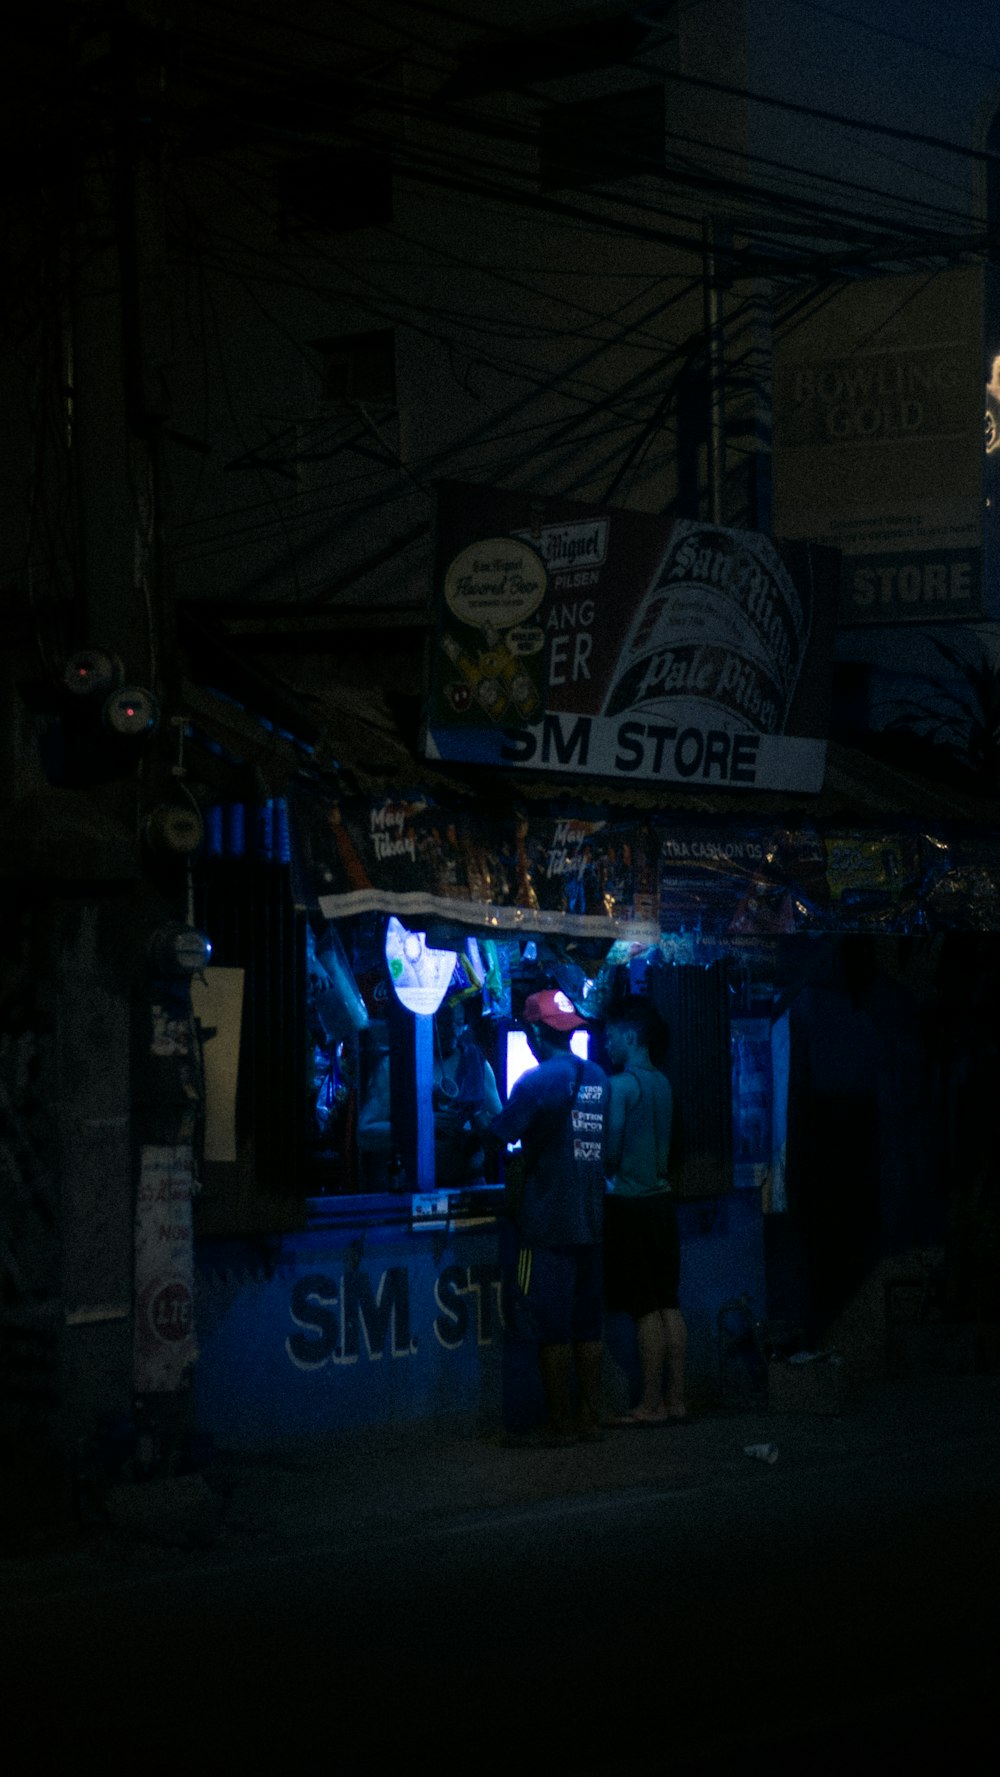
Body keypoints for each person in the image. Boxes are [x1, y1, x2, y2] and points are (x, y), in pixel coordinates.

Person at [490, 987, 609, 1445]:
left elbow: (499, 1133)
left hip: (546, 1224)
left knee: (550, 1328)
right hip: (593, 1220)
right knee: (587, 1324)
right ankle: (590, 1420)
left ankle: (559, 1424)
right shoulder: (600, 1077)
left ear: (535, 1032)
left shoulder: (534, 1082)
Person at [603, 994, 688, 1427]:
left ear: (632, 1036)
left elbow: (612, 1150)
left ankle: (650, 1402)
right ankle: (676, 1398)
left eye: (613, 1033)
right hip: (662, 1204)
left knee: (644, 1309)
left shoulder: (621, 1086)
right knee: (669, 1304)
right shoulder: (663, 1084)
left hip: (632, 1206)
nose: (606, 1041)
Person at [357, 999, 501, 1189]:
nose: (452, 1032)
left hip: (469, 1186)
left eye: (458, 1023)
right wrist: (422, 1126)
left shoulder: (476, 1063)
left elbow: (500, 1133)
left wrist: (479, 1124)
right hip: (412, 1188)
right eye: (442, 1023)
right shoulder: (395, 1066)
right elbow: (365, 1134)